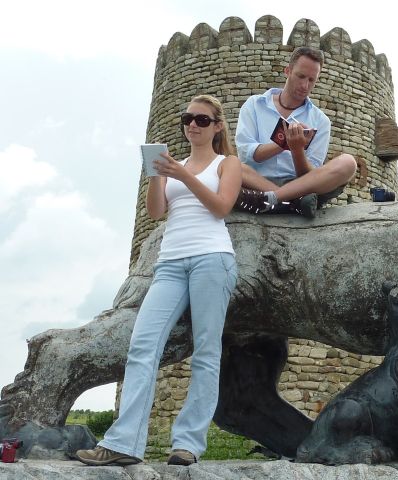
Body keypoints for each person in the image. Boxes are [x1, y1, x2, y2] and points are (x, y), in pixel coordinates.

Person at [75, 94, 241, 467]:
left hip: (212, 259)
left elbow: (221, 207)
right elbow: (156, 212)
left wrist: (183, 176)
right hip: (169, 263)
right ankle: (124, 443)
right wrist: (157, 175)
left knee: (206, 352)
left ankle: (187, 444)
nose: (192, 125)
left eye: (201, 119)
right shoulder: (176, 165)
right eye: (188, 118)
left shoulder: (226, 163)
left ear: (217, 126)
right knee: (142, 346)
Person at [234, 46, 357, 218]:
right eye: (300, 76)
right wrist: (283, 145)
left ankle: (276, 199)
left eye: (311, 80)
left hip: (300, 185)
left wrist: (297, 150)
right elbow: (247, 155)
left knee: (348, 163)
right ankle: (292, 202)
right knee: (230, 164)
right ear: (288, 71)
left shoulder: (320, 121)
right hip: (256, 182)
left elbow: (311, 176)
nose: (305, 85)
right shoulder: (254, 105)